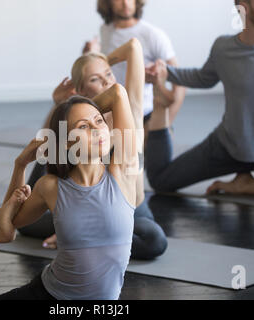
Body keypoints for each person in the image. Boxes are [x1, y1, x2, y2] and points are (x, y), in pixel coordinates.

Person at [0, 84, 139, 300]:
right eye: (84, 127)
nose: (97, 129)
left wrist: (77, 113)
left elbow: (118, 92)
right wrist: (20, 164)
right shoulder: (51, 186)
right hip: (45, 294)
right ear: (67, 143)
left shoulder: (123, 171)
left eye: (99, 121)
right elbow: (5, 224)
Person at [145, 0, 254, 201]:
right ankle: (159, 108)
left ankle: (251, 185)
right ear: (243, 6)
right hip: (226, 148)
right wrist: (166, 73)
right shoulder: (223, 48)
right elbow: (202, 78)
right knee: (161, 180)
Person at [19, 39, 168, 260]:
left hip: (129, 211)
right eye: (95, 79)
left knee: (154, 239)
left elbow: (133, 46)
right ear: (80, 89)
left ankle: (79, 238)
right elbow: (45, 155)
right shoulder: (78, 126)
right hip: (82, 213)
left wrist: (96, 60)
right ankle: (81, 235)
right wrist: (59, 105)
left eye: (108, 73)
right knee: (26, 222)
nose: (106, 82)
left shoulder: (130, 109)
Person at [84, 0, 186, 130]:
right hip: (112, 115)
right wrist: (90, 55)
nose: (126, 3)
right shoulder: (105, 30)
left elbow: (180, 84)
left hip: (144, 116)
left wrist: (165, 124)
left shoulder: (153, 35)